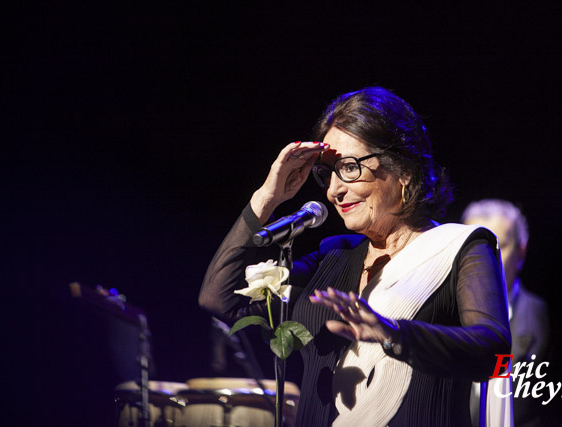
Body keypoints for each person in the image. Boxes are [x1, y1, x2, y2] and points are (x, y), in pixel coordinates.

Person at [199, 87, 512, 426]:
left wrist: (393, 332)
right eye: (328, 172)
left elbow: (494, 353)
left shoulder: (460, 248)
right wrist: (266, 198)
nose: (334, 190)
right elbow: (221, 299)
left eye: (349, 167)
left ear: (404, 170)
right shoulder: (331, 256)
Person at [463, 199, 550, 427]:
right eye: (474, 248)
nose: (484, 260)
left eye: (499, 246)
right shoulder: (438, 314)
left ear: (521, 252)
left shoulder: (542, 317)